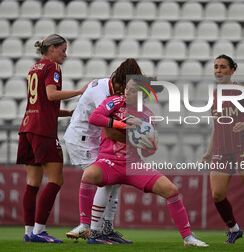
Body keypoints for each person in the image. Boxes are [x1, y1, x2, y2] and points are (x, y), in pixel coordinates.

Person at [79, 77, 208, 246]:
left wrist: (150, 147)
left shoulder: (147, 115)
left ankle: (188, 238)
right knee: (89, 174)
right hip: (108, 161)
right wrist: (121, 125)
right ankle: (86, 228)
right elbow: (94, 118)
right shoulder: (114, 102)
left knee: (171, 190)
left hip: (133, 164)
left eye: (132, 90)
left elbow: (146, 152)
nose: (126, 92)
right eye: (127, 88)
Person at [16, 34, 89, 243]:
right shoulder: (53, 67)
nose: (65, 55)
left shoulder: (34, 68)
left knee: (32, 183)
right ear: (52, 49)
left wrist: (69, 113)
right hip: (43, 131)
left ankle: (29, 232)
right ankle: (40, 231)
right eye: (63, 50)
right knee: (56, 179)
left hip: (27, 128)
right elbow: (50, 95)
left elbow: (43, 105)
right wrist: (80, 91)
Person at [64, 59, 143, 243]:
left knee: (113, 182)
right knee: (105, 181)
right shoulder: (102, 93)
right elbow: (108, 129)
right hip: (81, 140)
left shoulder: (107, 88)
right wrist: (137, 141)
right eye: (128, 87)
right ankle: (92, 230)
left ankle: (106, 229)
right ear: (122, 82)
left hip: (92, 139)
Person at [201, 55, 244, 244]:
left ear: (232, 70)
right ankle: (234, 230)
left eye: (223, 67)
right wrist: (209, 151)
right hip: (221, 149)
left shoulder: (243, 90)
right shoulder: (214, 95)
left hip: (243, 147)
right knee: (217, 194)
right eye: (216, 67)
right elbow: (216, 125)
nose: (218, 70)